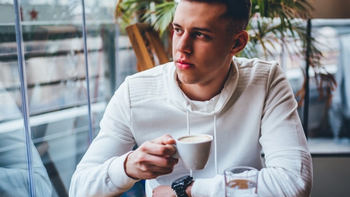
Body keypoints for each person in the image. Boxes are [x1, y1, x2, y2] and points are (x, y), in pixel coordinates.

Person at [69, 0, 313, 196]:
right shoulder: (134, 92)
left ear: (237, 43)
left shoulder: (266, 81)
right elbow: (80, 188)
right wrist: (128, 167)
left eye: (200, 35)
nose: (181, 47)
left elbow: (292, 183)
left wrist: (185, 191)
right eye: (177, 30)